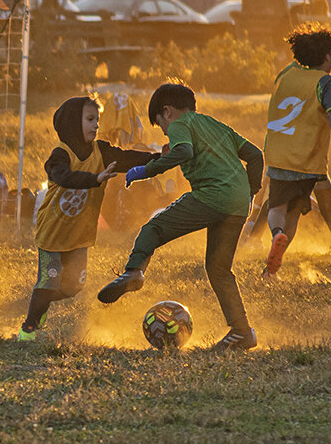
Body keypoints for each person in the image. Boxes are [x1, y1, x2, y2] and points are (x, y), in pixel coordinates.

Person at [97, 83, 264, 352]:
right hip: (237, 202)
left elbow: (184, 151)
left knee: (153, 228)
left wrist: (146, 170)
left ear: (168, 112)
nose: (164, 131)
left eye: (160, 124)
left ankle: (134, 272)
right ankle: (242, 332)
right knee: (219, 270)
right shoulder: (214, 124)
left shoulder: (179, 124)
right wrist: (251, 193)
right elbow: (255, 155)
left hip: (212, 195)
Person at [15, 96, 157, 342]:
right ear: (72, 122)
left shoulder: (100, 150)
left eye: (97, 120)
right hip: (53, 234)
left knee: (73, 288)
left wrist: (156, 157)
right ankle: (29, 328)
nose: (96, 125)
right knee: (48, 281)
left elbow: (125, 158)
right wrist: (95, 179)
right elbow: (64, 177)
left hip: (79, 236)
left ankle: (42, 301)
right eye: (90, 119)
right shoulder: (60, 155)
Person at [260, 23, 331, 280]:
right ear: (328, 57)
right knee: (294, 212)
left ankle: (276, 237)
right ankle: (275, 262)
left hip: (278, 155)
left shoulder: (285, 74)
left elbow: (296, 65)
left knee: (277, 206)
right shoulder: (328, 83)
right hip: (306, 161)